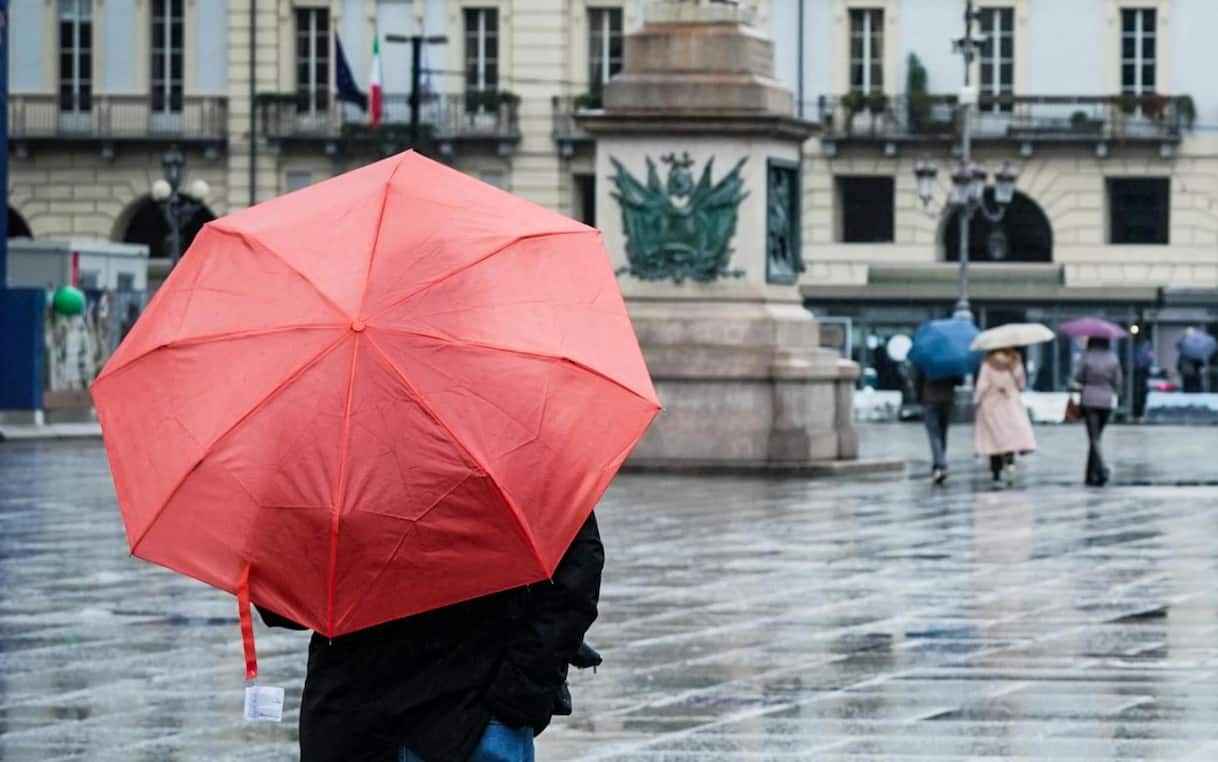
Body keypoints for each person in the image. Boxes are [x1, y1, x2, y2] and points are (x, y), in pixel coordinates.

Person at [258, 513, 604, 762]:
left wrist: (516, 696)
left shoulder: (328, 449)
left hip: (440, 718)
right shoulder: (509, 435)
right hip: (454, 715)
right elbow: (576, 576)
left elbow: (281, 603)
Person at [974, 348, 1037, 487]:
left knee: (993, 439)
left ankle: (996, 474)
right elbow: (1021, 384)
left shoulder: (987, 364)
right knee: (1009, 435)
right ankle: (1009, 462)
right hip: (1010, 401)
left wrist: (977, 400)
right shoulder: (1015, 362)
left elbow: (982, 385)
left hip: (991, 404)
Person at [1075, 337, 1122, 486]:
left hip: (1089, 399)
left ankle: (1101, 469)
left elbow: (1079, 377)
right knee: (1096, 438)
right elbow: (1118, 381)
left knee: (1093, 438)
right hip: (1106, 400)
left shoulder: (1086, 356)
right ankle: (1090, 474)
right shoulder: (1113, 358)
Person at [916, 370, 963, 484]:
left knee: (934, 434)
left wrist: (919, 397)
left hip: (930, 399)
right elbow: (959, 381)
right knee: (942, 433)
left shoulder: (926, 361)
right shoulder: (951, 362)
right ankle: (938, 464)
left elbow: (918, 380)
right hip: (947, 399)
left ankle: (940, 464)